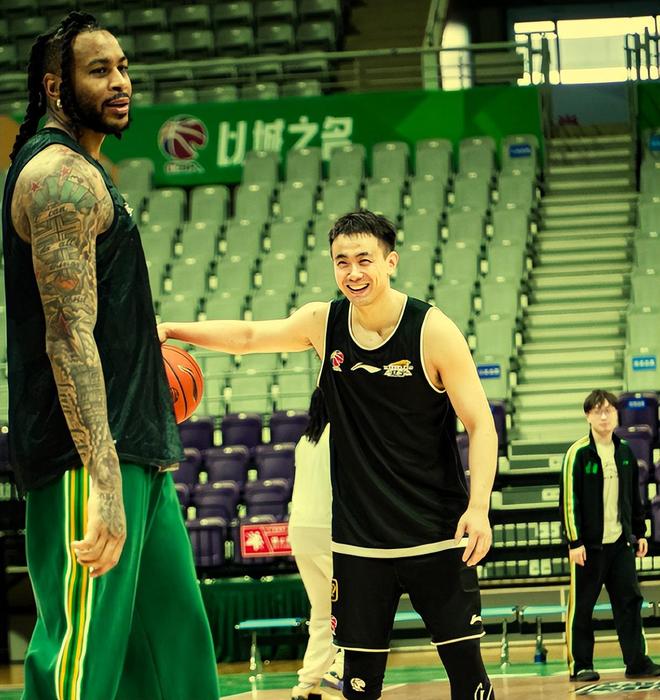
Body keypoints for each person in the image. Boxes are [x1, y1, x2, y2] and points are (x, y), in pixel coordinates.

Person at [159, 209, 498, 700]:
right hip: (359, 543)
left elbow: (481, 424)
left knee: (468, 679)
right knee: (358, 688)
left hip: (435, 533)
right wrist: (173, 330)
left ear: (391, 262)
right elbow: (249, 338)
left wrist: (479, 506)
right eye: (342, 262)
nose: (353, 272)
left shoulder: (432, 331)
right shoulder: (325, 323)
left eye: (365, 260)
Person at [2, 12, 219, 700]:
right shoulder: (56, 176)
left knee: (176, 651)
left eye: (123, 67)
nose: (121, 81)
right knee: (83, 659)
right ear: (54, 87)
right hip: (87, 459)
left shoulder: (89, 171)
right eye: (100, 70)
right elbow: (67, 337)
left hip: (136, 450)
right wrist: (102, 480)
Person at [561, 389, 660, 683]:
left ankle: (637, 661)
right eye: (598, 411)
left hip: (620, 544)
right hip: (588, 548)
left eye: (609, 410)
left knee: (630, 602)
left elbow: (634, 497)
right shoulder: (578, 453)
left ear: (617, 415)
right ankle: (580, 664)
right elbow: (569, 501)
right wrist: (574, 541)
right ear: (588, 416)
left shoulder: (626, 452)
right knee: (582, 607)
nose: (604, 416)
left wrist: (639, 533)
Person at [288, 388, 344, 700]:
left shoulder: (304, 441)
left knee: (322, 613)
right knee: (355, 602)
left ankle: (307, 684)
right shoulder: (340, 437)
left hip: (300, 532)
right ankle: (341, 667)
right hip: (327, 530)